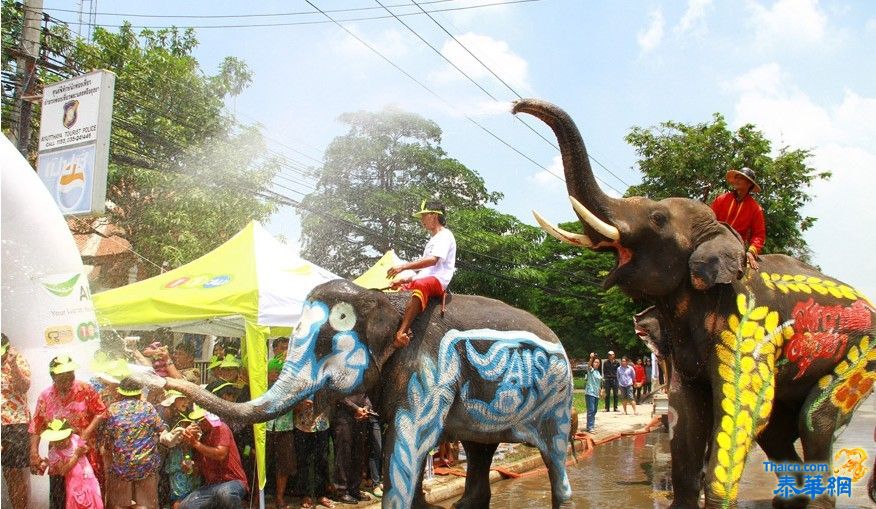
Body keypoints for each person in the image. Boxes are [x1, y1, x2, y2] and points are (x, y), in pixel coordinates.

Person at [30, 355, 107, 509]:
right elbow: (36, 426)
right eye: (62, 376)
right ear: (53, 376)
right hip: (58, 453)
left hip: (84, 450)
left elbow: (101, 412)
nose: (68, 379)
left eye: (70, 374)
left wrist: (85, 434)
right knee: (60, 494)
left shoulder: (84, 389)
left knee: (88, 491)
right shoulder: (45, 396)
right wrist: (33, 452)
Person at [386, 200, 457, 348]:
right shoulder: (433, 239)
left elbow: (432, 261)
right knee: (396, 291)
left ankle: (402, 333)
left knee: (420, 285)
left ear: (433, 215)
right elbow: (424, 272)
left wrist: (403, 267)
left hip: (438, 281)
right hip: (426, 278)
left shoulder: (445, 235)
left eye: (423, 216)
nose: (421, 220)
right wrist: (403, 280)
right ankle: (407, 326)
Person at [101, 379, 169, 509]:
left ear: (120, 393)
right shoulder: (147, 408)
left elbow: (107, 441)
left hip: (122, 468)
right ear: (139, 394)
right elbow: (161, 429)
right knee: (147, 505)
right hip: (146, 466)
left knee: (120, 505)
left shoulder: (113, 409)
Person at [178, 407, 249, 509]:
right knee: (185, 506)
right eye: (198, 421)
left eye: (202, 420)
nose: (200, 424)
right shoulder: (200, 438)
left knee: (225, 494)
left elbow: (221, 454)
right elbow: (196, 470)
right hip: (212, 486)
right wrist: (188, 467)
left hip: (233, 482)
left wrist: (196, 444)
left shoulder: (221, 428)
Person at [711, 166, 766, 270]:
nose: (737, 180)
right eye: (736, 178)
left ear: (749, 184)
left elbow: (759, 235)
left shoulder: (755, 208)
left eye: (741, 178)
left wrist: (751, 252)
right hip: (714, 238)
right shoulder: (722, 199)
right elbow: (709, 219)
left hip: (735, 246)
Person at [43, 418, 103, 509]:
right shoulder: (54, 453)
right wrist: (76, 455)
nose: (59, 443)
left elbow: (86, 446)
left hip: (89, 479)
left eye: (62, 439)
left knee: (95, 503)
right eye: (56, 441)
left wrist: (86, 448)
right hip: (74, 484)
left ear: (69, 435)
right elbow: (63, 471)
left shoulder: (76, 439)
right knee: (76, 505)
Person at [1, 333, 32, 509]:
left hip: (14, 423)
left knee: (15, 472)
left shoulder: (17, 360)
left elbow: (24, 387)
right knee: (7, 473)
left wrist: (11, 364)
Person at [159, 391, 201, 509]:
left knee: (192, 495)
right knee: (180, 496)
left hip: (189, 460)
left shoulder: (188, 415)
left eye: (187, 399)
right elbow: (169, 441)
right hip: (178, 462)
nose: (186, 402)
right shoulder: (171, 419)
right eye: (182, 398)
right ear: (173, 401)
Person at [265, 355, 296, 509]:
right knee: (262, 464)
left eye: (280, 371)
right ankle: (258, 497)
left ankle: (279, 497)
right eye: (274, 371)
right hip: (265, 429)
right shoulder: (262, 386)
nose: (277, 374)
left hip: (285, 428)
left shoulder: (290, 387)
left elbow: (296, 405)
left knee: (283, 466)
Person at [293, 399, 334, 509]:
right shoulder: (299, 381)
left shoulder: (325, 381)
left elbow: (333, 397)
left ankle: (321, 494)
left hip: (322, 424)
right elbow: (291, 403)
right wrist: (300, 405)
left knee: (322, 460)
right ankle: (304, 495)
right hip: (302, 425)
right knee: (302, 461)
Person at [331, 394, 371, 505]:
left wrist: (366, 408)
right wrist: (356, 408)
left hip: (360, 419)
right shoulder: (341, 377)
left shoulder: (361, 378)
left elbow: (365, 395)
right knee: (344, 455)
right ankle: (341, 490)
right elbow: (338, 396)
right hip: (343, 418)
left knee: (358, 455)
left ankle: (354, 489)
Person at [583, 357, 603, 433]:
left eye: (598, 362)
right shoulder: (591, 370)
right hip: (590, 393)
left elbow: (598, 383)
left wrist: (600, 391)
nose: (597, 364)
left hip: (596, 394)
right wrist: (591, 358)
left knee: (594, 410)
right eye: (595, 362)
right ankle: (590, 427)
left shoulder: (598, 372)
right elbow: (588, 366)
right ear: (592, 363)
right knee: (591, 410)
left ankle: (591, 426)